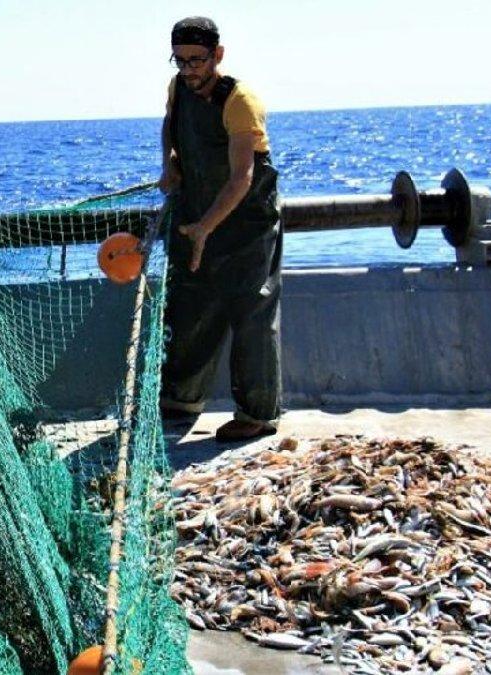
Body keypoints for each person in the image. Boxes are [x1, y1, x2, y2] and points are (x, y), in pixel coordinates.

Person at [158, 17, 283, 442]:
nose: (189, 68)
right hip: (196, 213)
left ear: (218, 55)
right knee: (190, 304)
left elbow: (241, 178)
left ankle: (257, 413)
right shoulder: (178, 87)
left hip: (246, 222)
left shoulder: (240, 100)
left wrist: (205, 229)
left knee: (250, 310)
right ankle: (182, 398)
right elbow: (170, 124)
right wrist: (169, 163)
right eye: (181, 60)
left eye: (198, 60)